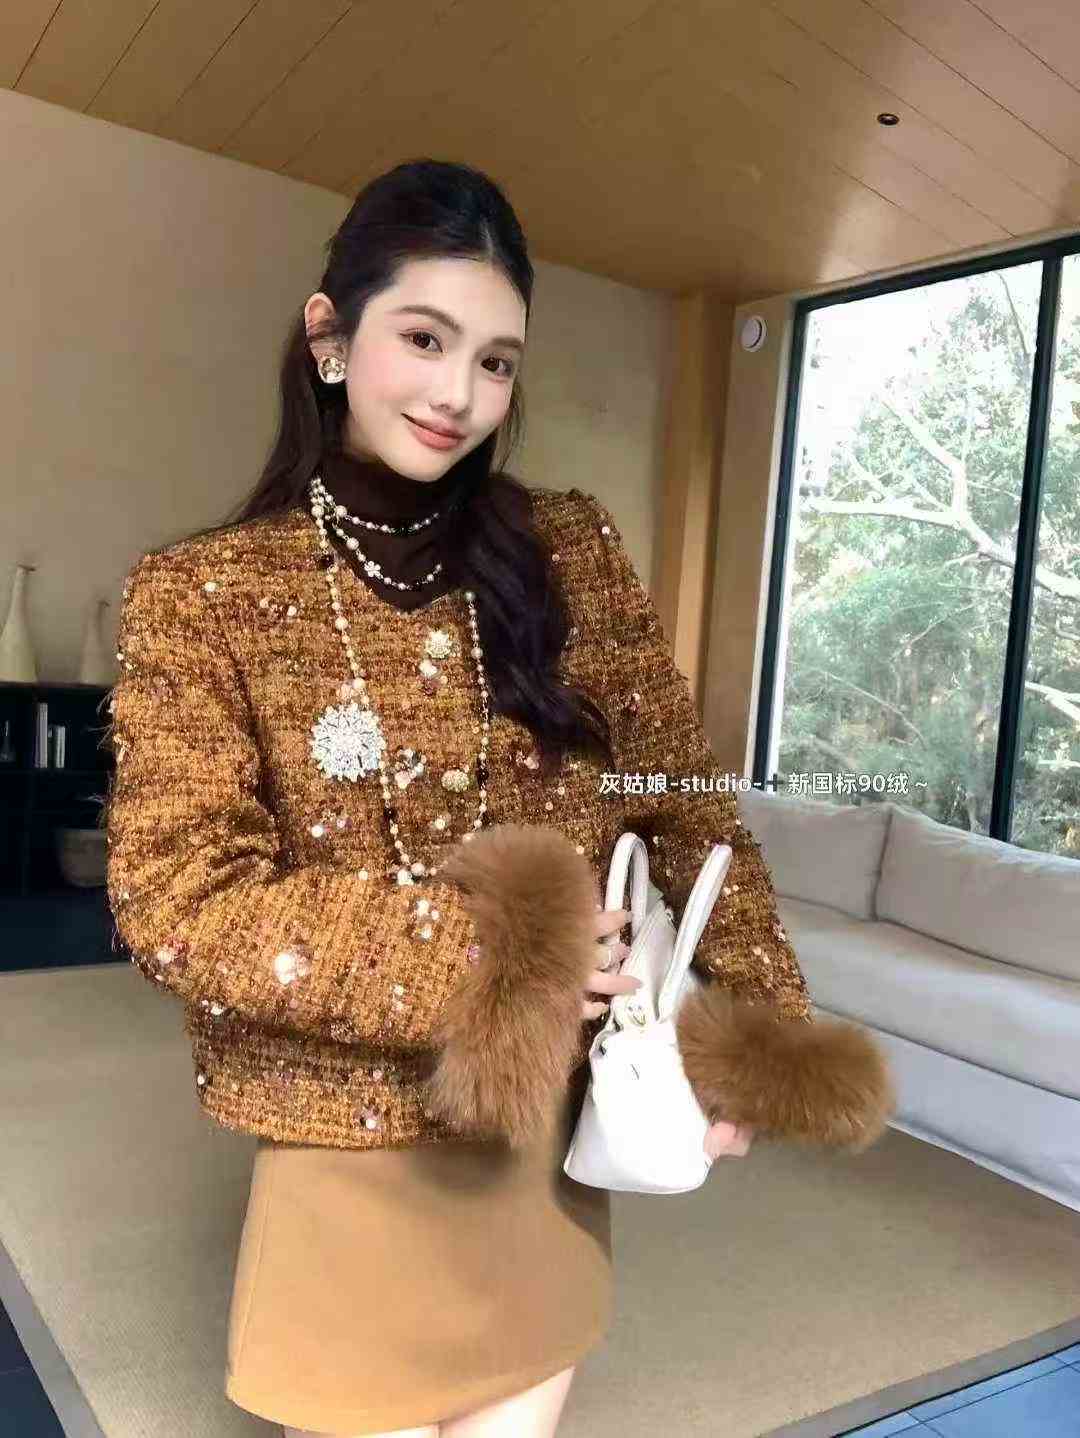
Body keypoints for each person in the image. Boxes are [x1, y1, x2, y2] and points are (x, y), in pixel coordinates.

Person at [104, 158, 894, 1438]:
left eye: (496, 361)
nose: (458, 395)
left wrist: (755, 1037)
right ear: (330, 335)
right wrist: (489, 958)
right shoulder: (205, 593)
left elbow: (682, 806)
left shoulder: (568, 549)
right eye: (425, 338)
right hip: (342, 1136)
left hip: (545, 1143)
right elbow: (177, 899)